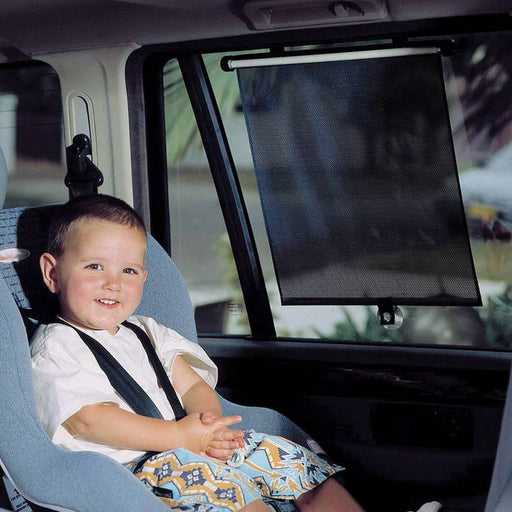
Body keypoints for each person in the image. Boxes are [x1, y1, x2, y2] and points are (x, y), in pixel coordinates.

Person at [30, 194, 440, 512]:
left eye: (129, 271)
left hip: (187, 442)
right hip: (131, 470)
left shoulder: (145, 331)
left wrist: (209, 427)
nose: (113, 283)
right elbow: (89, 419)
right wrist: (179, 436)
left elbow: (191, 384)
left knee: (290, 459)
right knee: (223, 487)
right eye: (94, 267)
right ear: (52, 273)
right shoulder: (57, 346)